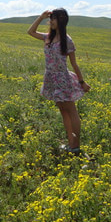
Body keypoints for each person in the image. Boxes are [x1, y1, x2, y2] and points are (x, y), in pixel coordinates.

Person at [28, 8, 91, 155]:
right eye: (51, 18)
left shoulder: (67, 40)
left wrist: (82, 82)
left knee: (71, 110)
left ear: (61, 21)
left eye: (53, 18)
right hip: (51, 78)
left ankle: (76, 146)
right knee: (63, 111)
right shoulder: (48, 37)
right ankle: (70, 143)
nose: (51, 21)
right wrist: (41, 17)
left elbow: (74, 64)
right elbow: (30, 32)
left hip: (62, 79)